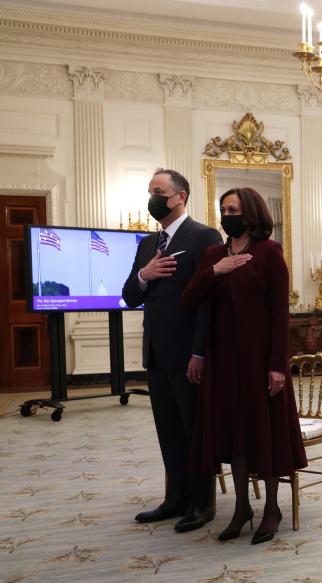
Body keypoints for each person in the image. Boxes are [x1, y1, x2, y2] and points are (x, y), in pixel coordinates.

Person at [182, 187, 307, 545]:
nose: (227, 215)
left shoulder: (269, 253)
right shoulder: (212, 254)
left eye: (233, 209)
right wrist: (215, 272)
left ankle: (271, 508)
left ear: (250, 214)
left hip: (259, 362)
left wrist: (278, 367)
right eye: (223, 209)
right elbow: (189, 299)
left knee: (261, 432)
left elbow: (278, 314)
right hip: (222, 362)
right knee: (234, 435)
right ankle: (240, 507)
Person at [122, 168, 223, 532]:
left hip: (188, 355)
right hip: (156, 353)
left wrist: (200, 352)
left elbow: (208, 302)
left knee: (194, 429)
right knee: (168, 429)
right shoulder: (148, 245)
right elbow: (130, 296)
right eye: (150, 190)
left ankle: (202, 503)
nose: (153, 197)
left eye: (158, 191)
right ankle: (174, 498)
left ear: (180, 196)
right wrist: (143, 275)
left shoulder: (204, 237)